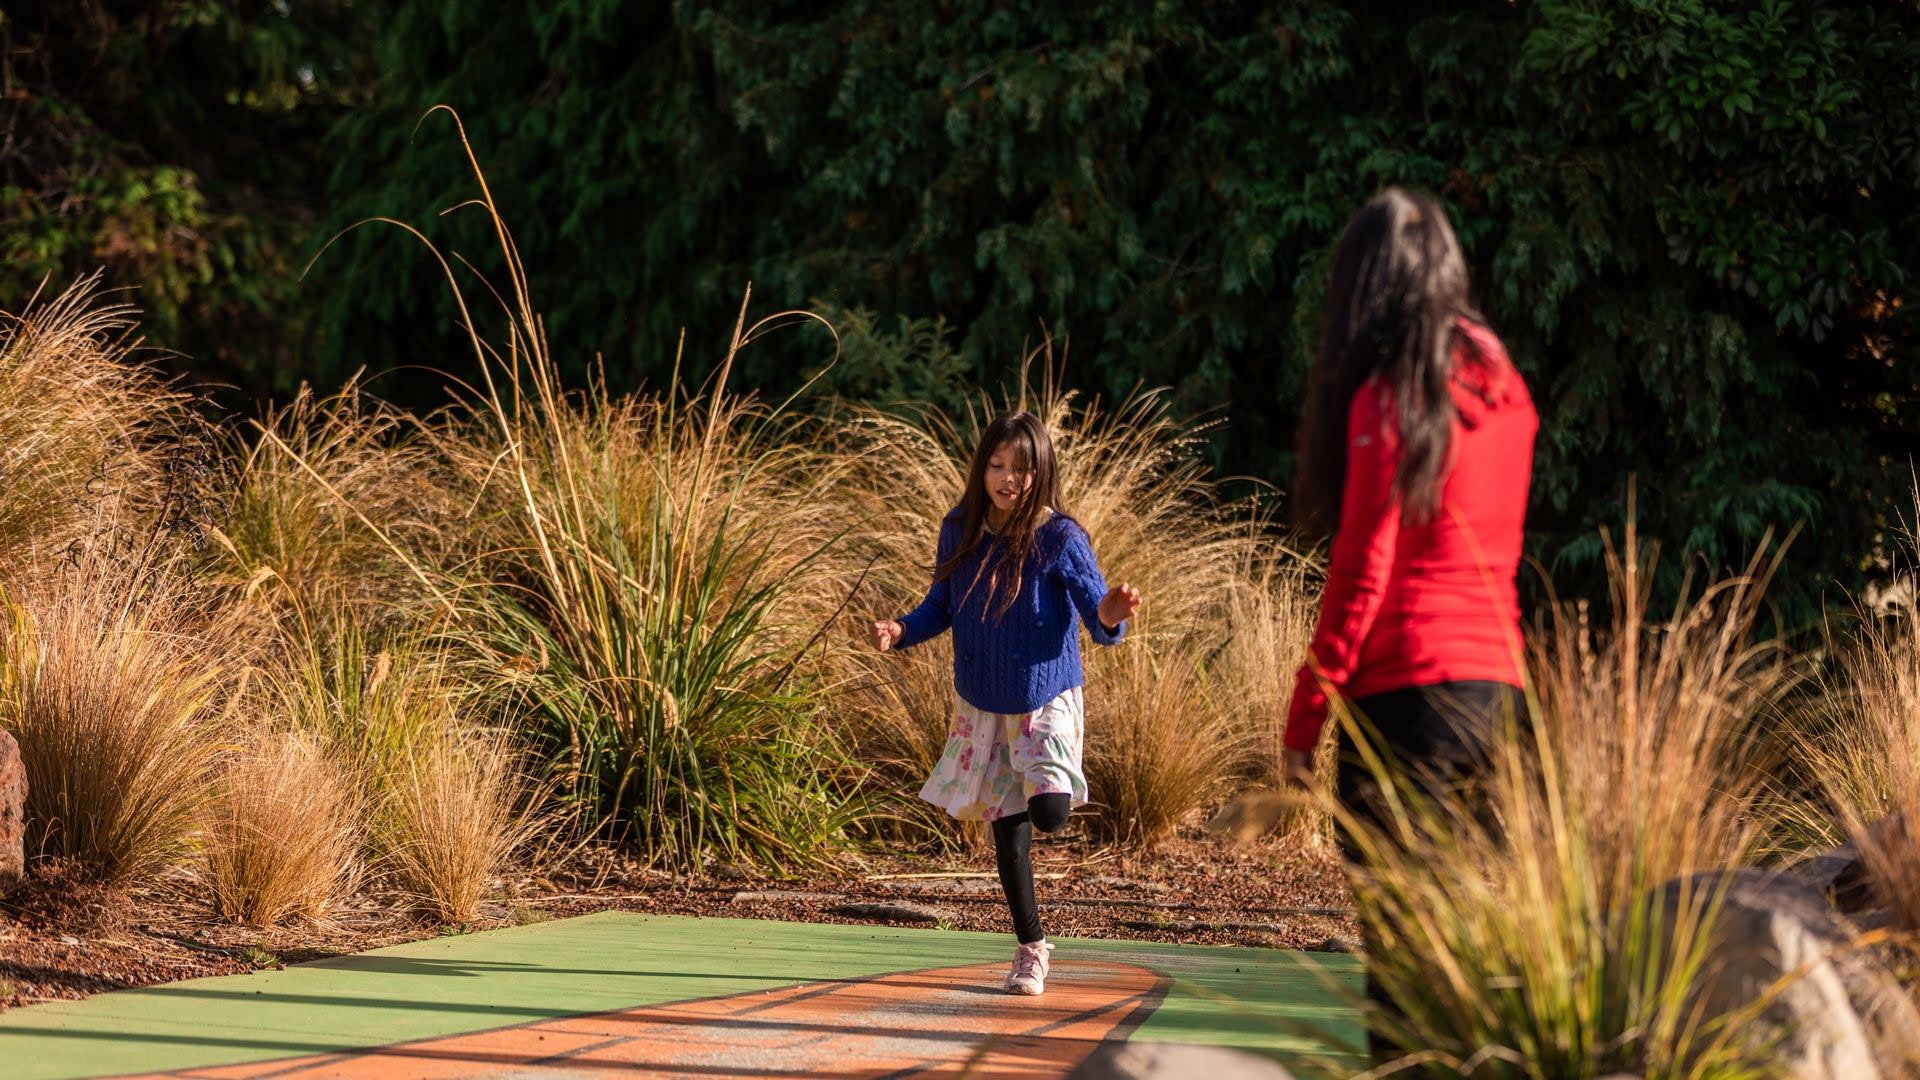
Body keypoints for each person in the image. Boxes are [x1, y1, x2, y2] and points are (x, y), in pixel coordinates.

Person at [1280, 186, 1537, 1054]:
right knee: (1465, 940)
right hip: (1498, 694)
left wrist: (1304, 719)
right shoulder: (1504, 385)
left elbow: (1361, 574)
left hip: (1406, 702)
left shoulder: (1390, 396)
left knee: (1399, 953)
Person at [870, 410, 1140, 996]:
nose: (1006, 479)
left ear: (1040, 473)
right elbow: (939, 606)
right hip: (983, 705)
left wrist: (1113, 613)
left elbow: (1098, 617)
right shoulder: (960, 528)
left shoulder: (1060, 538)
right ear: (981, 468)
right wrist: (901, 631)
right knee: (1009, 833)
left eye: (1019, 469)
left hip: (1045, 697)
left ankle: (1045, 822)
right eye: (996, 465)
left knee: (1050, 813)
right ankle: (1031, 949)